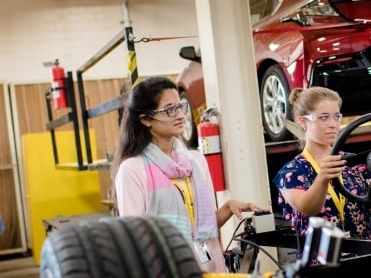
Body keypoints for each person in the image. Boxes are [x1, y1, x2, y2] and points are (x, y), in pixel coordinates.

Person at [111, 76, 262, 272]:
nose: (181, 115)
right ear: (146, 119)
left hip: (210, 266)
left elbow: (201, 228)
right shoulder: (132, 170)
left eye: (180, 106)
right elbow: (134, 241)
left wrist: (227, 207)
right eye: (169, 109)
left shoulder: (195, 161)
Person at [273, 87, 371, 240]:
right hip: (320, 263)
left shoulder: (355, 163)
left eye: (336, 116)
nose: (333, 124)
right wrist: (323, 178)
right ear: (303, 122)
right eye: (323, 117)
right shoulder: (291, 172)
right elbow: (308, 208)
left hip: (362, 256)